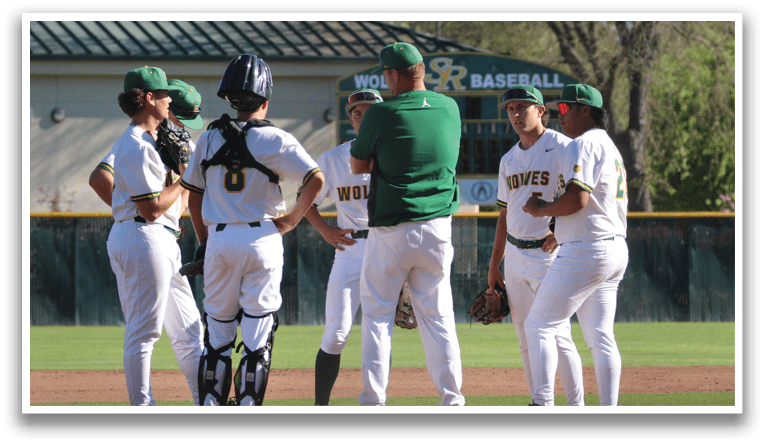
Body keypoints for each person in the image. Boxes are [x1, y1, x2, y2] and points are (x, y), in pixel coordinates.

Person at [180, 54, 325, 406]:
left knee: (217, 336)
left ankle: (211, 407)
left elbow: (194, 199)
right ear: (265, 98)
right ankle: (247, 408)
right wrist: (290, 220)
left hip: (220, 239)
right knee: (258, 337)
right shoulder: (277, 138)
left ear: (229, 97)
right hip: (263, 238)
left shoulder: (210, 137)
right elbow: (315, 179)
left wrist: (205, 242)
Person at [349, 42, 464, 406]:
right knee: (439, 317)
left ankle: (373, 402)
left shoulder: (381, 114)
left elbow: (357, 165)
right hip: (437, 227)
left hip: (392, 228)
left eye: (386, 74)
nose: (385, 81)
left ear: (395, 74)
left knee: (378, 315)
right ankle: (452, 400)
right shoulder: (450, 107)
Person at [522, 84, 629, 406]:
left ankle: (542, 405)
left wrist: (541, 210)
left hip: (587, 249)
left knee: (538, 324)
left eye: (566, 109)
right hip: (613, 247)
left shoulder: (582, 144)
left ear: (586, 110)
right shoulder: (609, 146)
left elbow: (578, 199)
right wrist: (563, 227)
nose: (560, 115)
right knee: (600, 337)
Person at [104, 67, 204, 406]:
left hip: (158, 238)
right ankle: (142, 408)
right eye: (164, 95)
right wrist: (187, 176)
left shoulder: (152, 141)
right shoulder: (133, 144)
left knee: (190, 331)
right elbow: (151, 208)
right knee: (144, 332)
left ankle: (208, 401)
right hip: (142, 234)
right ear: (149, 98)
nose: (167, 100)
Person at [487, 85, 585, 406]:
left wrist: (562, 232)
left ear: (541, 110)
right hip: (514, 257)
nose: (515, 114)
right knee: (526, 339)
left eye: (522, 107)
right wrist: (494, 267)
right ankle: (540, 403)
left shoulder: (563, 147)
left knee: (556, 335)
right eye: (510, 109)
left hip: (549, 255)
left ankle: (575, 405)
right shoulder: (508, 159)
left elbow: (588, 193)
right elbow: (504, 214)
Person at [304, 88, 383, 406]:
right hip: (350, 249)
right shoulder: (334, 158)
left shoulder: (396, 154)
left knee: (376, 334)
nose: (362, 117)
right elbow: (306, 199)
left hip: (386, 248)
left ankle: (375, 404)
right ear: (350, 119)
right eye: (357, 112)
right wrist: (324, 230)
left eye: (369, 111)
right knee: (335, 334)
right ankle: (320, 408)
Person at [89, 78, 204, 208]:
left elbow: (193, 185)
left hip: (164, 225)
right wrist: (127, 211)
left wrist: (176, 214)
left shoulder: (184, 142)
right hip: (146, 224)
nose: (182, 126)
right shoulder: (140, 139)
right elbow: (99, 178)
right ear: (167, 107)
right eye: (180, 120)